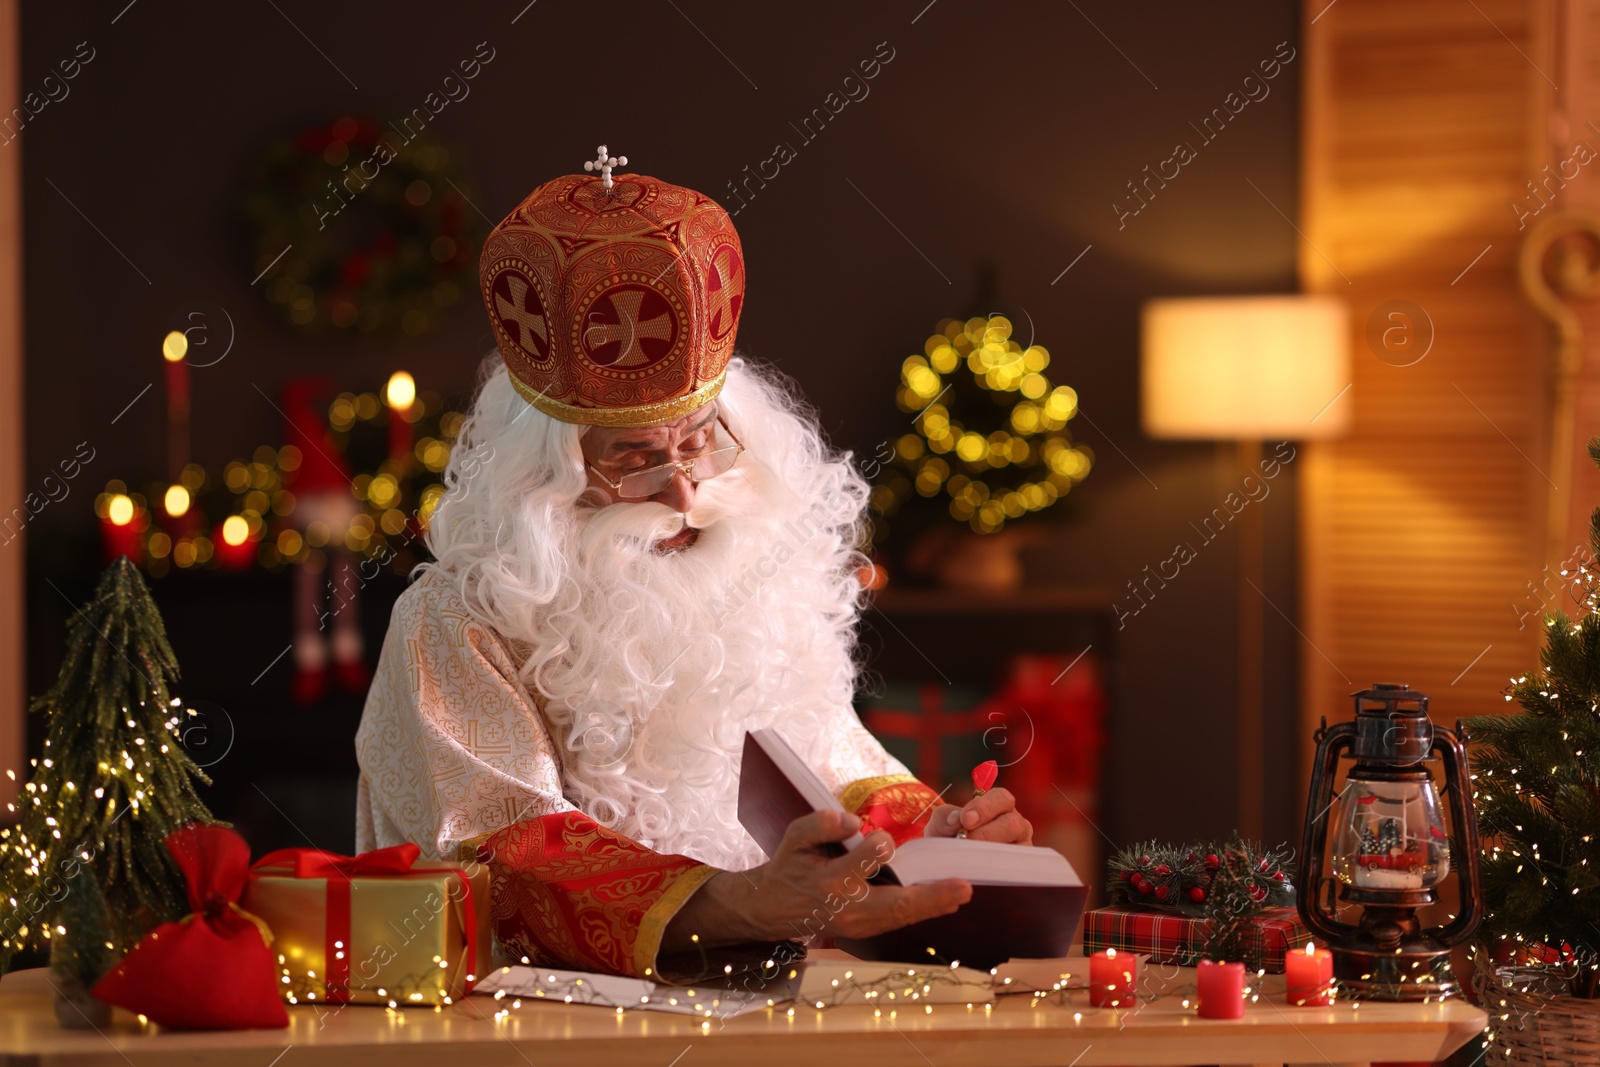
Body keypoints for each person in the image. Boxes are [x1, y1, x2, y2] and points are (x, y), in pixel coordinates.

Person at [353, 151, 1032, 979]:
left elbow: (836, 768)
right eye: (634, 457)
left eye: (698, 441)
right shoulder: (452, 622)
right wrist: (735, 901)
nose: (681, 491)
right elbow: (508, 845)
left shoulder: (752, 585)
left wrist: (940, 841)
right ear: (545, 481)